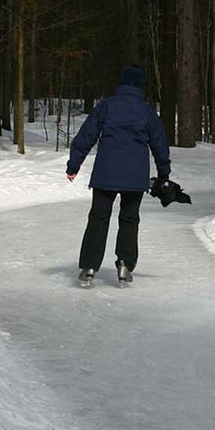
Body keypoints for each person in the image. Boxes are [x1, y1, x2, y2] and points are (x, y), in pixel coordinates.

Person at [66, 64, 171, 286]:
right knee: (129, 219)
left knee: (98, 217)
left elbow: (87, 135)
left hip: (106, 173)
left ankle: (89, 267)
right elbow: (160, 144)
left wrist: (73, 165)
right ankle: (124, 265)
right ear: (140, 86)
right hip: (134, 177)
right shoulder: (146, 111)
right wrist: (164, 174)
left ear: (121, 84)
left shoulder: (107, 106)